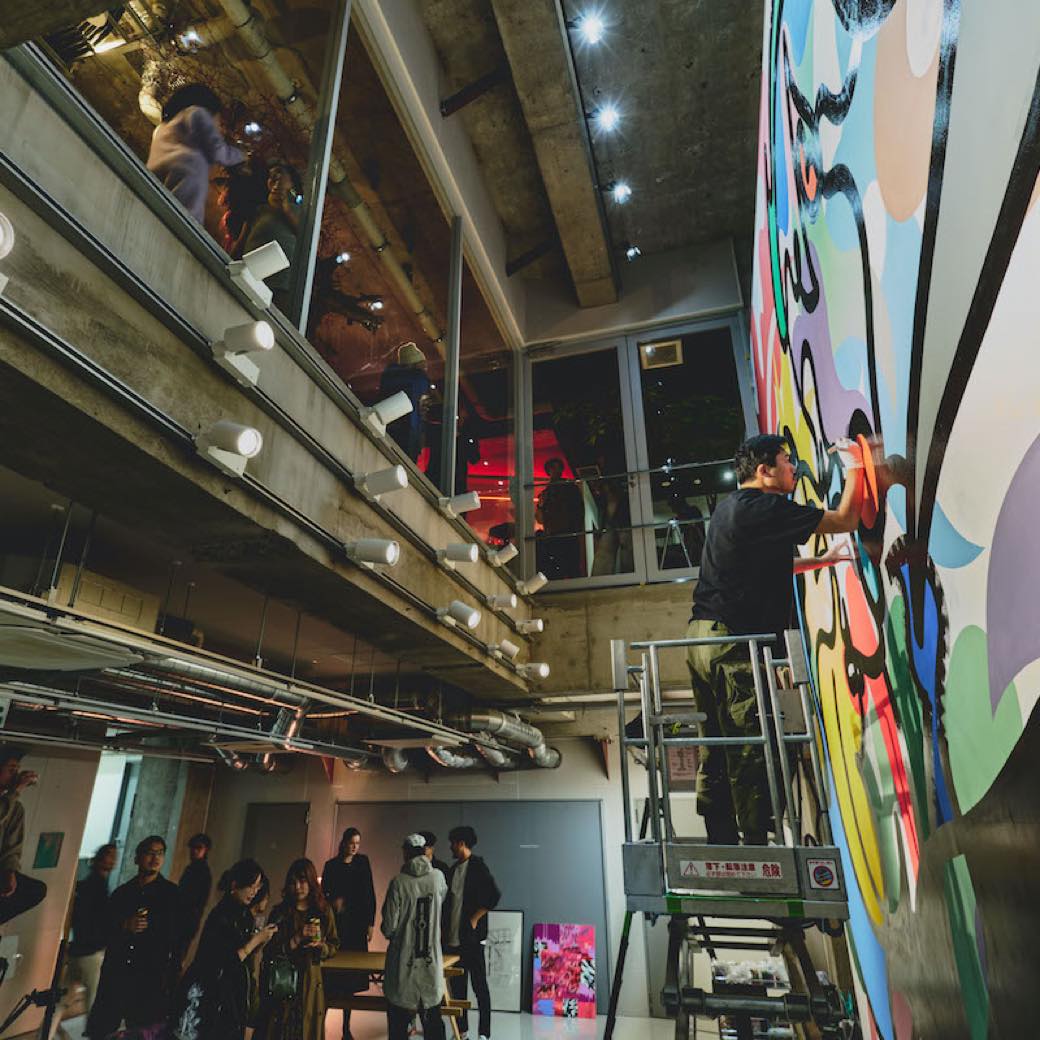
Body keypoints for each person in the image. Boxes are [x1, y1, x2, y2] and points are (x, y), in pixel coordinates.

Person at [688, 433, 863, 845]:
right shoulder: (766, 507)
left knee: (716, 742)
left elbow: (758, 568)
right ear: (765, 471)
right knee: (750, 741)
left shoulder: (730, 508)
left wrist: (821, 561)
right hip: (731, 641)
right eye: (786, 461)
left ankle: (720, 837)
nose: (794, 469)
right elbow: (845, 520)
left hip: (701, 637)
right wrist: (856, 463)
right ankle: (755, 843)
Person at [170, 859, 278, 1040]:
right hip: (209, 995)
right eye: (251, 886)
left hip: (230, 998)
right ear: (235, 885)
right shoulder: (221, 914)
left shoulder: (243, 914)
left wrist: (259, 941)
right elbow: (224, 961)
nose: (254, 892)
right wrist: (254, 941)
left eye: (257, 887)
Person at [86, 835, 180, 1038]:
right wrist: (124, 925)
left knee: (142, 1030)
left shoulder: (172, 895)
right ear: (137, 858)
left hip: (149, 974)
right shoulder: (122, 893)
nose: (155, 858)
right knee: (103, 1028)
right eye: (150, 853)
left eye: (160, 853)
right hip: (117, 971)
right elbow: (102, 929)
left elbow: (178, 936)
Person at [256, 859, 337, 1040]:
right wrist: (296, 938)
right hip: (283, 982)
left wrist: (321, 947)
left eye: (302, 881)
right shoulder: (281, 912)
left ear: (311, 882)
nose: (298, 887)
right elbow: (269, 950)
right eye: (293, 882)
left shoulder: (323, 911)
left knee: (305, 1030)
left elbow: (334, 944)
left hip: (310, 982)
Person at [146, 83, 245, 222]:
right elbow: (219, 152)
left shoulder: (162, 132)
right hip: (173, 213)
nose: (220, 130)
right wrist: (242, 155)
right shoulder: (197, 115)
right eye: (219, 122)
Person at [382, 834, 448, 1040]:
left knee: (398, 1028)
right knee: (433, 1025)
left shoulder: (398, 882)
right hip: (430, 965)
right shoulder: (438, 878)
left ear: (405, 853)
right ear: (424, 852)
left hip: (403, 965)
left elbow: (388, 928)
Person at [444, 826, 500, 1040]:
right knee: (458, 988)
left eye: (452, 843)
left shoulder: (477, 866)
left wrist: (475, 919)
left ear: (461, 843)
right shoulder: (452, 870)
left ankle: (484, 1033)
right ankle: (462, 1032)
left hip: (473, 939)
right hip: (454, 940)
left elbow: (494, 896)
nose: (450, 847)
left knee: (479, 987)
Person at [321, 828, 376, 1040]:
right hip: (337, 926)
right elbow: (324, 893)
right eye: (352, 842)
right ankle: (322, 1023)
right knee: (331, 976)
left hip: (356, 926)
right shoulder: (332, 866)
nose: (354, 847)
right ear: (344, 842)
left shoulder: (362, 862)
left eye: (357, 843)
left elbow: (369, 893)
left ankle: (346, 1027)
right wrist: (333, 902)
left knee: (351, 980)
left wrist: (370, 923)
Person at [242, 160, 302, 312]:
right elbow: (242, 241)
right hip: (251, 275)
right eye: (272, 177)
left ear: (292, 183)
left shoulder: (298, 212)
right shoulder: (260, 211)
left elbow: (305, 237)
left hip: (279, 284)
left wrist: (286, 207)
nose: (275, 180)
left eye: (280, 175)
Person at [67, 843, 118, 1014]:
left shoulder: (87, 884)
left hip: (77, 950)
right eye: (110, 855)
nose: (113, 860)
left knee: (62, 999)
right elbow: (99, 921)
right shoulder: (98, 887)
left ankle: (48, 1028)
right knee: (93, 1002)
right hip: (91, 952)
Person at [0, 745, 46, 927]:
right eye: (11, 770)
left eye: (17, 771)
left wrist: (10, 872)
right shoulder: (11, 801)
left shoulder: (16, 808)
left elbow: (12, 846)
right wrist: (16, 790)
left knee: (36, 890)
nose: (15, 776)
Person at [378, 342, 432, 461]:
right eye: (423, 364)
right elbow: (419, 412)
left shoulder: (388, 379)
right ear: (416, 364)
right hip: (409, 436)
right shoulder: (419, 379)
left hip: (387, 430)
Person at [536, 458, 585, 578]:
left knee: (569, 566)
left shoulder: (568, 488)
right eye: (553, 468)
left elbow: (578, 510)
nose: (556, 471)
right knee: (561, 567)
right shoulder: (547, 493)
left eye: (558, 467)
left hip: (566, 533)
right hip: (556, 535)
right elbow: (540, 518)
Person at [174, 832, 213, 970]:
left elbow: (197, 901)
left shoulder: (202, 872)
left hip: (186, 920)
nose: (194, 851)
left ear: (205, 850)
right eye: (193, 847)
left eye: (199, 848)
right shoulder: (191, 869)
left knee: (177, 957)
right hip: (182, 919)